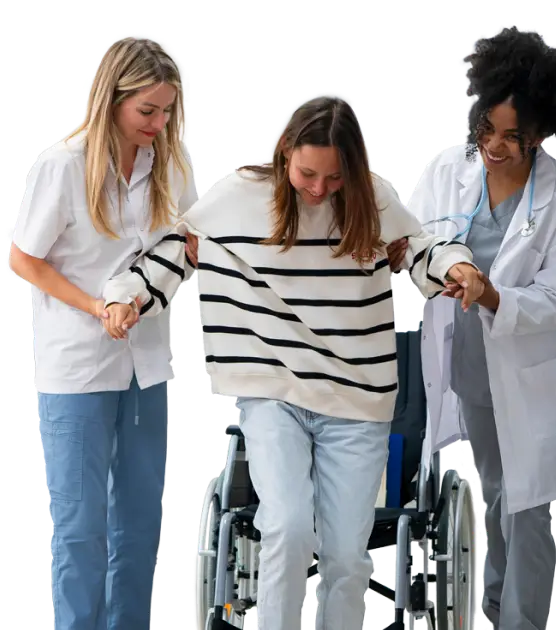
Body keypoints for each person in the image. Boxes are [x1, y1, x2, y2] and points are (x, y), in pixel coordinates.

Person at [100, 91, 484, 630]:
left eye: (334, 178)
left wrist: (455, 268)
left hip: (356, 398)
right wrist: (127, 297)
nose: (319, 189)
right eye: (308, 174)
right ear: (284, 155)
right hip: (274, 391)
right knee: (285, 527)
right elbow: (178, 251)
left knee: (347, 558)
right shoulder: (241, 196)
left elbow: (417, 252)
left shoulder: (368, 199)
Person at [397, 25, 556, 630]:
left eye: (513, 136)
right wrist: (433, 267)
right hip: (470, 363)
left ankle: (520, 621)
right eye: (486, 128)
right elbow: (415, 243)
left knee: (526, 503)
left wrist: (490, 294)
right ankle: (492, 607)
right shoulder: (445, 173)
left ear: (542, 131)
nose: (494, 145)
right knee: (493, 489)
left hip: (532, 369)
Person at [9, 34, 199, 630]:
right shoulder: (64, 165)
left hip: (147, 363)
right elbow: (24, 258)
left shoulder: (166, 164)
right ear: (111, 98)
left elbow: (188, 242)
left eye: (169, 110)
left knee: (141, 521)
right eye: (148, 110)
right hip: (77, 366)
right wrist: (96, 306)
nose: (159, 122)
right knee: (81, 525)